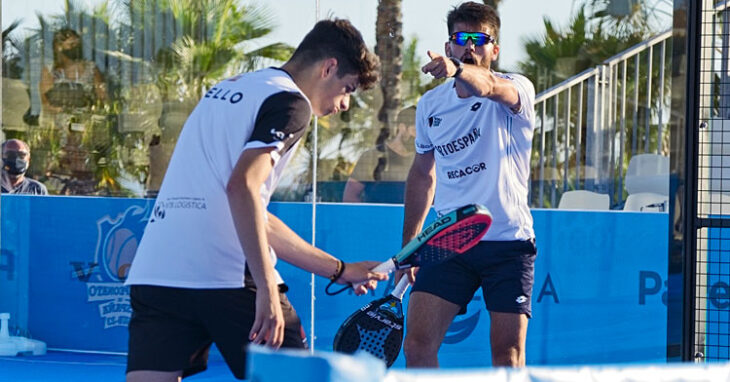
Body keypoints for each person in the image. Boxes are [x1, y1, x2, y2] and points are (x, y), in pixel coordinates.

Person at [124, 19, 385, 381]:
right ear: (329, 67)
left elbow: (249, 210)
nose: (343, 104)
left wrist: (339, 270)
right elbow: (243, 186)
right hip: (227, 276)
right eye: (348, 89)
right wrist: (265, 286)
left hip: (157, 272)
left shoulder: (228, 88)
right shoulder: (293, 104)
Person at [399, 2, 537, 368]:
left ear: (495, 48)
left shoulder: (516, 89)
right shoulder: (430, 105)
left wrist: (459, 70)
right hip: (450, 242)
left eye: (480, 39)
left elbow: (489, 85)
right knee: (417, 346)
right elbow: (422, 174)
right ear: (448, 46)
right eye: (461, 38)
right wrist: (412, 246)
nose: (470, 46)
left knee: (507, 357)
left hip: (508, 243)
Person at [342, 106, 416, 203]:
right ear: (402, 128)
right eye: (416, 131)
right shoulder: (372, 157)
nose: (421, 137)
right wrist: (367, 217)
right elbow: (350, 196)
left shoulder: (424, 161)